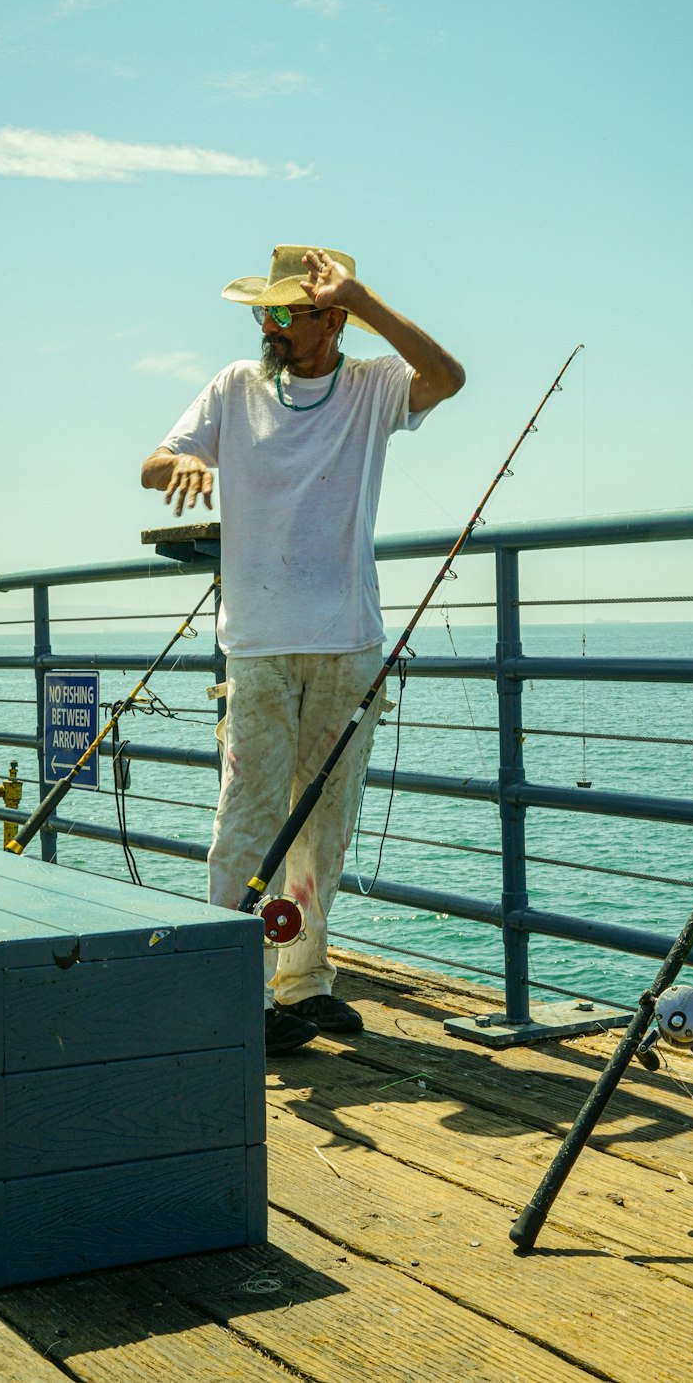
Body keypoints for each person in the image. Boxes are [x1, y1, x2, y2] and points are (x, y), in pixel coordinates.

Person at [142, 245, 465, 1053]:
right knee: (245, 817)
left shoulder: (371, 385)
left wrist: (369, 298)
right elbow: (152, 463)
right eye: (264, 311)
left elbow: (450, 376)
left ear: (332, 319)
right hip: (256, 644)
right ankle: (228, 989)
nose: (268, 325)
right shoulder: (234, 386)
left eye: (286, 312)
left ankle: (303, 981)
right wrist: (179, 460)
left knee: (325, 825)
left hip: (346, 642)